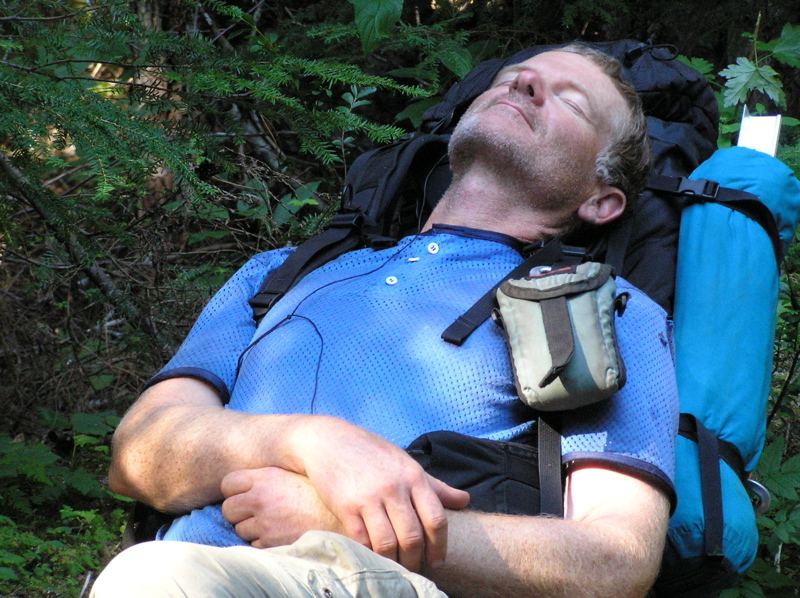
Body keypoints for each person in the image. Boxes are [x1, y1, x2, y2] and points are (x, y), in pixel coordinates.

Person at [92, 44, 677, 598]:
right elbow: (137, 454)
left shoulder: (597, 314)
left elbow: (616, 563)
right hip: (189, 572)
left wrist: (348, 524)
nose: (524, 82)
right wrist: (308, 443)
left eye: (571, 100)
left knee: (157, 576)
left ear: (602, 199)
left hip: (372, 582)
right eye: (512, 77)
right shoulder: (280, 273)